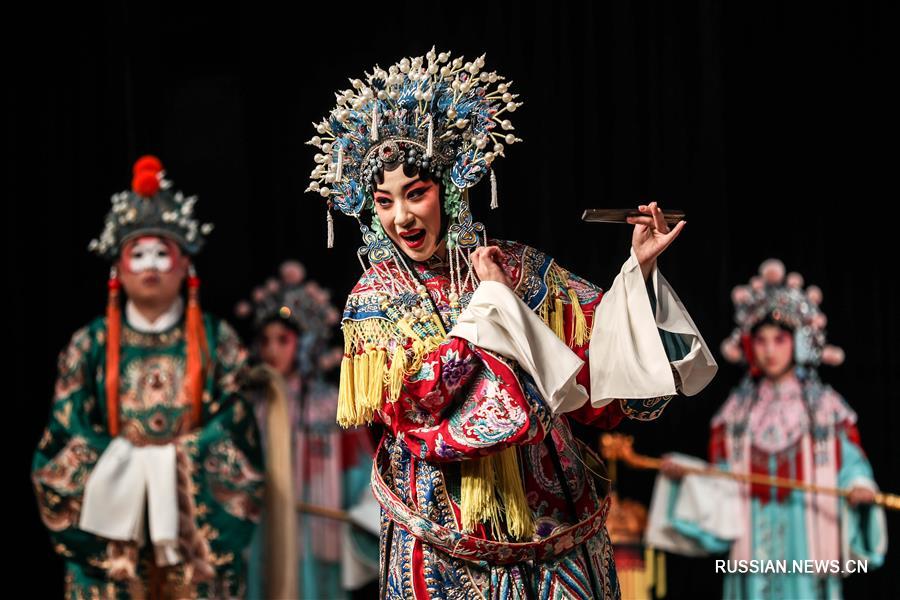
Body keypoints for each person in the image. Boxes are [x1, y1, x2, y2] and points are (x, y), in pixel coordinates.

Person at [306, 48, 718, 598]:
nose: (401, 217)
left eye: (416, 193)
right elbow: (419, 407)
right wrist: (492, 306)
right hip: (444, 542)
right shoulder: (377, 296)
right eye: (384, 202)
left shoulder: (516, 264)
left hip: (556, 532)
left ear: (450, 189)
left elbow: (596, 359)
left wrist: (637, 270)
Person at [32, 156, 264, 598]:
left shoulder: (219, 341)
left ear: (184, 266)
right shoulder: (89, 345)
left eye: (162, 252)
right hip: (115, 548)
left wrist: (170, 465)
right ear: (117, 268)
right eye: (138, 254)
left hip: (193, 539)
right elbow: (65, 436)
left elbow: (239, 430)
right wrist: (133, 467)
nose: (151, 265)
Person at [649, 259, 888, 599]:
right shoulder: (738, 412)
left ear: (799, 342)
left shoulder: (823, 407)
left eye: (779, 339)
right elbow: (726, 478)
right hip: (752, 534)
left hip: (805, 532)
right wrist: (688, 475)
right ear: (749, 345)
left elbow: (850, 464)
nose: (770, 350)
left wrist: (859, 487)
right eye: (761, 340)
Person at [236, 261, 379, 599]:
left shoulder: (328, 403)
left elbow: (358, 470)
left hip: (315, 525)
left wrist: (361, 513)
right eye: (266, 340)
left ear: (303, 344)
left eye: (283, 340)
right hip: (262, 526)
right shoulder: (247, 404)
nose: (272, 350)